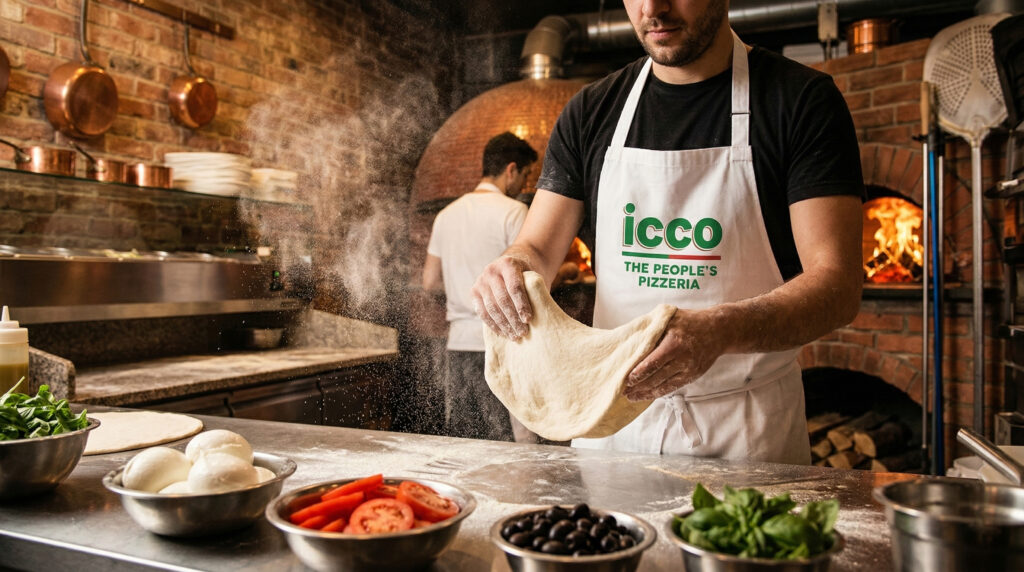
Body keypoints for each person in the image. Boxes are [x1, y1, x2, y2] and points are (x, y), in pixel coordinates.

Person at [470, 0, 864, 464]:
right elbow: (537, 246)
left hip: (744, 432)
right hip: (610, 430)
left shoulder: (800, 100)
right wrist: (514, 265)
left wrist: (720, 331)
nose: (652, 8)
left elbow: (837, 284)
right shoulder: (592, 112)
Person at [423, 131, 540, 443]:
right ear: (511, 169)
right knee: (512, 446)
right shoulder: (514, 211)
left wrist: (462, 292)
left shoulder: (446, 216)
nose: (524, 186)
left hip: (459, 345)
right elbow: (529, 281)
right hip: (503, 345)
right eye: (526, 175)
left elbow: (429, 281)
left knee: (465, 441)